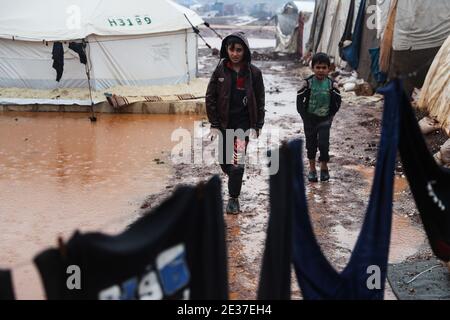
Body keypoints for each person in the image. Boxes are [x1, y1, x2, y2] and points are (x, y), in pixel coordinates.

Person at [205, 32, 265, 214]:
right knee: (225, 162)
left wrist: (258, 125)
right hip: (224, 124)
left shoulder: (254, 73)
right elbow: (210, 97)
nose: (235, 53)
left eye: (239, 50)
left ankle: (233, 198)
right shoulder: (220, 70)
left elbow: (260, 99)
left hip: (243, 126)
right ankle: (233, 175)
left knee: (237, 163)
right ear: (226, 50)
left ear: (245, 51)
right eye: (231, 49)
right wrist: (214, 124)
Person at [296, 52, 341, 182]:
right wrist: (304, 116)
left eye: (324, 68)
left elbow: (337, 101)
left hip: (325, 119)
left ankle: (324, 167)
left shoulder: (331, 85)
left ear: (329, 69)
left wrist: (331, 115)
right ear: (313, 68)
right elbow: (299, 101)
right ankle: (312, 169)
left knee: (323, 144)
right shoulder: (308, 83)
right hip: (310, 119)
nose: (321, 70)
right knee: (311, 144)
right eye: (318, 67)